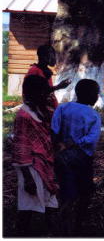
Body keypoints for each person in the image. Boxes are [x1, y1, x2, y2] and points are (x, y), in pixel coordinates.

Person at [52, 79, 101, 236]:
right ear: (91, 96)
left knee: (67, 191)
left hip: (62, 157)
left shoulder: (62, 108)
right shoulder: (93, 115)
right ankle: (78, 225)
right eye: (96, 93)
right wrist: (76, 142)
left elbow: (54, 130)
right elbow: (92, 138)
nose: (97, 96)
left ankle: (62, 225)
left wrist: (60, 145)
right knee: (85, 192)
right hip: (83, 158)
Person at [12, 75, 58, 236]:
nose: (46, 94)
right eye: (43, 92)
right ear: (33, 92)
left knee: (51, 203)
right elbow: (21, 145)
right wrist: (27, 178)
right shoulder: (24, 115)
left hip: (45, 162)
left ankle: (51, 234)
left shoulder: (41, 110)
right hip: (30, 165)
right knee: (28, 207)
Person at [26, 44, 70, 111]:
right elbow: (39, 93)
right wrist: (59, 86)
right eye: (51, 55)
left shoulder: (45, 71)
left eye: (54, 55)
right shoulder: (34, 71)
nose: (54, 58)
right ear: (43, 56)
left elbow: (47, 90)